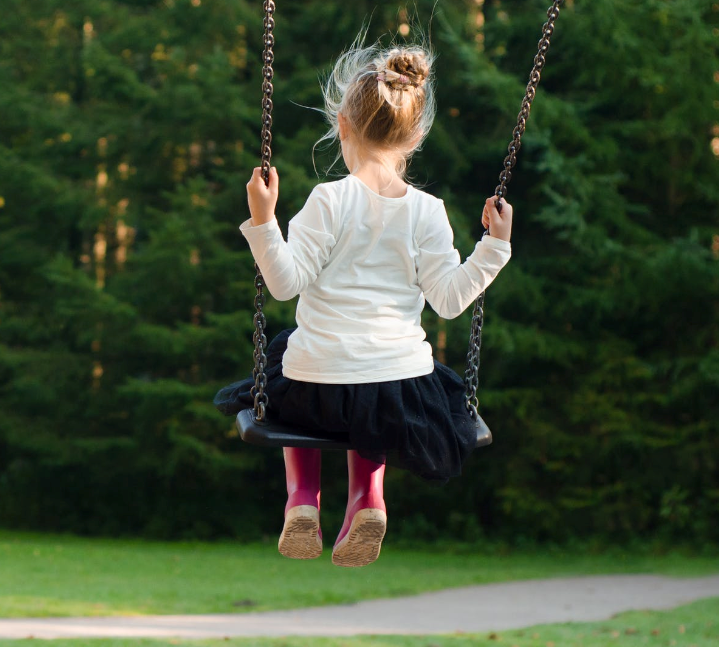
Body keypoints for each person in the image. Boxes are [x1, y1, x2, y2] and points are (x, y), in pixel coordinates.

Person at [215, 42, 513, 567]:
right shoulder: (428, 211)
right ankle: (368, 499)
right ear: (416, 136)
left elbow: (284, 284)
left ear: (342, 126)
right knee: (373, 396)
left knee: (289, 361)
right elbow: (448, 301)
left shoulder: (328, 200)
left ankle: (302, 498)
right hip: (398, 391)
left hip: (316, 387)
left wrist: (263, 221)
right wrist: (494, 248)